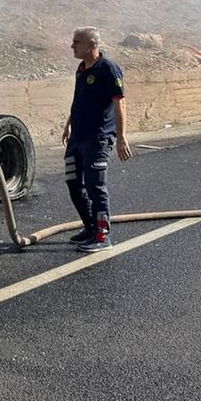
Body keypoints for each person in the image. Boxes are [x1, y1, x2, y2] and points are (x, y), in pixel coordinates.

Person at [61, 27, 132, 253]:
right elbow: (79, 99)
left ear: (91, 44)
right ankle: (90, 227)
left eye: (77, 42)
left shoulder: (108, 69)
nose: (72, 46)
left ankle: (102, 235)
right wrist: (68, 124)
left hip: (98, 138)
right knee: (73, 182)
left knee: (95, 186)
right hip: (77, 138)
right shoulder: (81, 69)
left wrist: (121, 137)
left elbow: (120, 103)